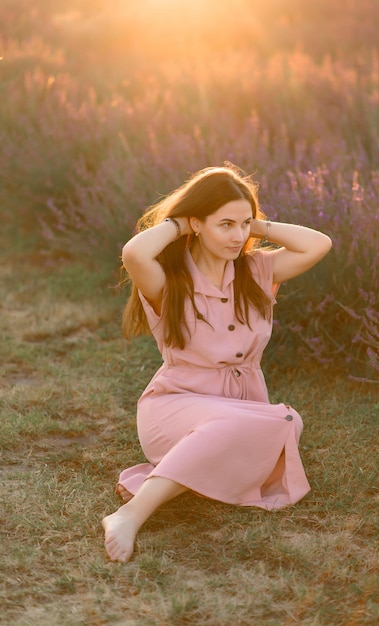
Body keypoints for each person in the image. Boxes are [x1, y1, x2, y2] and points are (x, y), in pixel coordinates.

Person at [102, 164, 332, 562]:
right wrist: (180, 224)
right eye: (224, 224)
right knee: (256, 425)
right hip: (173, 407)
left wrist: (255, 225)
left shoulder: (257, 270)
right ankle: (129, 514)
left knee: (289, 422)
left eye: (244, 224)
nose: (238, 235)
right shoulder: (166, 280)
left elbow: (319, 244)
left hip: (244, 405)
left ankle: (191, 470)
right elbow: (133, 251)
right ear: (196, 224)